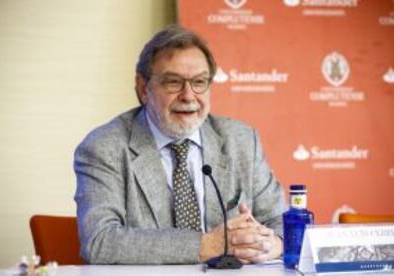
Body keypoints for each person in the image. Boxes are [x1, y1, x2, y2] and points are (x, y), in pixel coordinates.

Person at [74, 25, 286, 265]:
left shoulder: (242, 140)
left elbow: (282, 222)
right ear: (144, 89)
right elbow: (100, 241)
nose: (188, 96)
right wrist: (206, 245)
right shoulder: (105, 148)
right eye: (173, 82)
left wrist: (272, 243)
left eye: (199, 82)